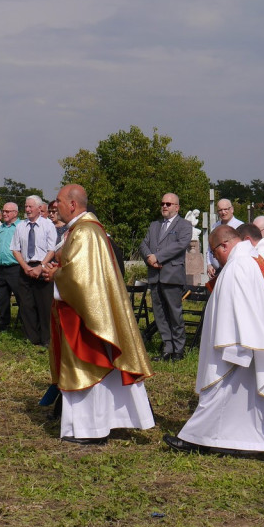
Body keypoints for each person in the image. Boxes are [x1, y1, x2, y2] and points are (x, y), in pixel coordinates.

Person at [164, 224, 264, 463]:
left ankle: (197, 438)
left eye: (214, 251)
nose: (216, 258)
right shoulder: (258, 259)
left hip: (242, 345)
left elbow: (236, 310)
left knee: (220, 391)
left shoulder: (238, 265)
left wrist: (234, 347)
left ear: (225, 245)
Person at [46, 184, 155, 444]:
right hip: (86, 311)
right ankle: (106, 421)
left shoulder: (84, 232)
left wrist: (55, 274)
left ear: (72, 204)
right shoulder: (86, 230)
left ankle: (90, 429)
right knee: (102, 368)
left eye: (59, 201)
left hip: (83, 317)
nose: (56, 206)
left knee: (88, 366)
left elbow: (79, 278)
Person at [139, 193, 193, 362]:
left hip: (172, 275)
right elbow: (143, 244)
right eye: (162, 203)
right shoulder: (155, 225)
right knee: (160, 314)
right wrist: (149, 258)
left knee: (174, 314)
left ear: (177, 207)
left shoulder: (184, 225)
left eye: (168, 204)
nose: (164, 206)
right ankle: (167, 348)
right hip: (155, 275)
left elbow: (180, 245)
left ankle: (179, 349)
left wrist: (158, 257)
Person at [11, 195, 57, 346]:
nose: (28, 210)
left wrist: (41, 266)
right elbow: (15, 249)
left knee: (44, 305)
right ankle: (32, 338)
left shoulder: (48, 225)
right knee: (26, 304)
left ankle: (47, 339)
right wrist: (25, 267)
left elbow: (52, 249)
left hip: (43, 267)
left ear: (39, 208)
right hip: (25, 267)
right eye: (26, 207)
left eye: (31, 207)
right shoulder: (20, 226)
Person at [0, 202, 20, 332]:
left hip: (15, 267)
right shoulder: (0, 228)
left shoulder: (21, 226)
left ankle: (25, 324)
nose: (4, 214)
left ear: (15, 213)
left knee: (21, 297)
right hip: (1, 268)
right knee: (2, 299)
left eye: (8, 211)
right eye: (3, 211)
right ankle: (3, 325)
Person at [207, 198, 244, 278]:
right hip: (216, 271)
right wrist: (209, 264)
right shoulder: (215, 226)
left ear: (232, 209)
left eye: (225, 209)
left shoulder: (240, 226)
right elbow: (210, 248)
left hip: (234, 269)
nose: (223, 212)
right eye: (220, 210)